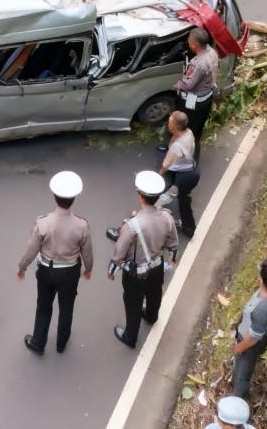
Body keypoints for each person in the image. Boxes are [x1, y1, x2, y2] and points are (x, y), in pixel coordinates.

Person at [17, 170, 94, 355]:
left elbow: (31, 249)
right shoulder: (82, 225)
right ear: (74, 198)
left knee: (43, 306)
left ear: (54, 196)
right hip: (70, 272)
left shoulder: (42, 222)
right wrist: (88, 269)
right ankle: (61, 343)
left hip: (46, 270)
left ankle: (38, 342)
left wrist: (22, 267)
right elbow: (87, 251)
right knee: (67, 308)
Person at [108, 170, 178, 349]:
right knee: (155, 293)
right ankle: (152, 316)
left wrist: (112, 270)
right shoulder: (167, 217)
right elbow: (172, 243)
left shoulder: (132, 225)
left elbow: (119, 251)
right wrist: (172, 258)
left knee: (133, 302)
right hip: (156, 266)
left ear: (140, 196)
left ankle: (130, 336)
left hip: (135, 273)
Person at [232, 259, 267, 399]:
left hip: (248, 345)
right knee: (240, 368)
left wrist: (239, 348)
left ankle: (237, 401)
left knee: (241, 376)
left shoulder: (262, 310)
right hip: (254, 332)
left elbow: (253, 338)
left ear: (264, 281)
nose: (258, 276)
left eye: (261, 274)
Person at [175, 27, 218, 162]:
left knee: (188, 127)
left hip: (194, 101)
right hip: (206, 97)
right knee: (197, 128)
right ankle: (193, 152)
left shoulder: (198, 64)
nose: (188, 43)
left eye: (189, 41)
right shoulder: (212, 52)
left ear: (194, 45)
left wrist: (176, 85)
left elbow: (188, 85)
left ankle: (190, 157)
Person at [155, 111, 199, 237]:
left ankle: (189, 228)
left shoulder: (176, 148)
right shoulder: (188, 132)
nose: (168, 125)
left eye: (169, 123)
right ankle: (187, 225)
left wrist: (158, 176)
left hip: (185, 176)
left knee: (180, 199)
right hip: (190, 168)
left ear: (174, 127)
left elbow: (165, 166)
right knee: (182, 196)